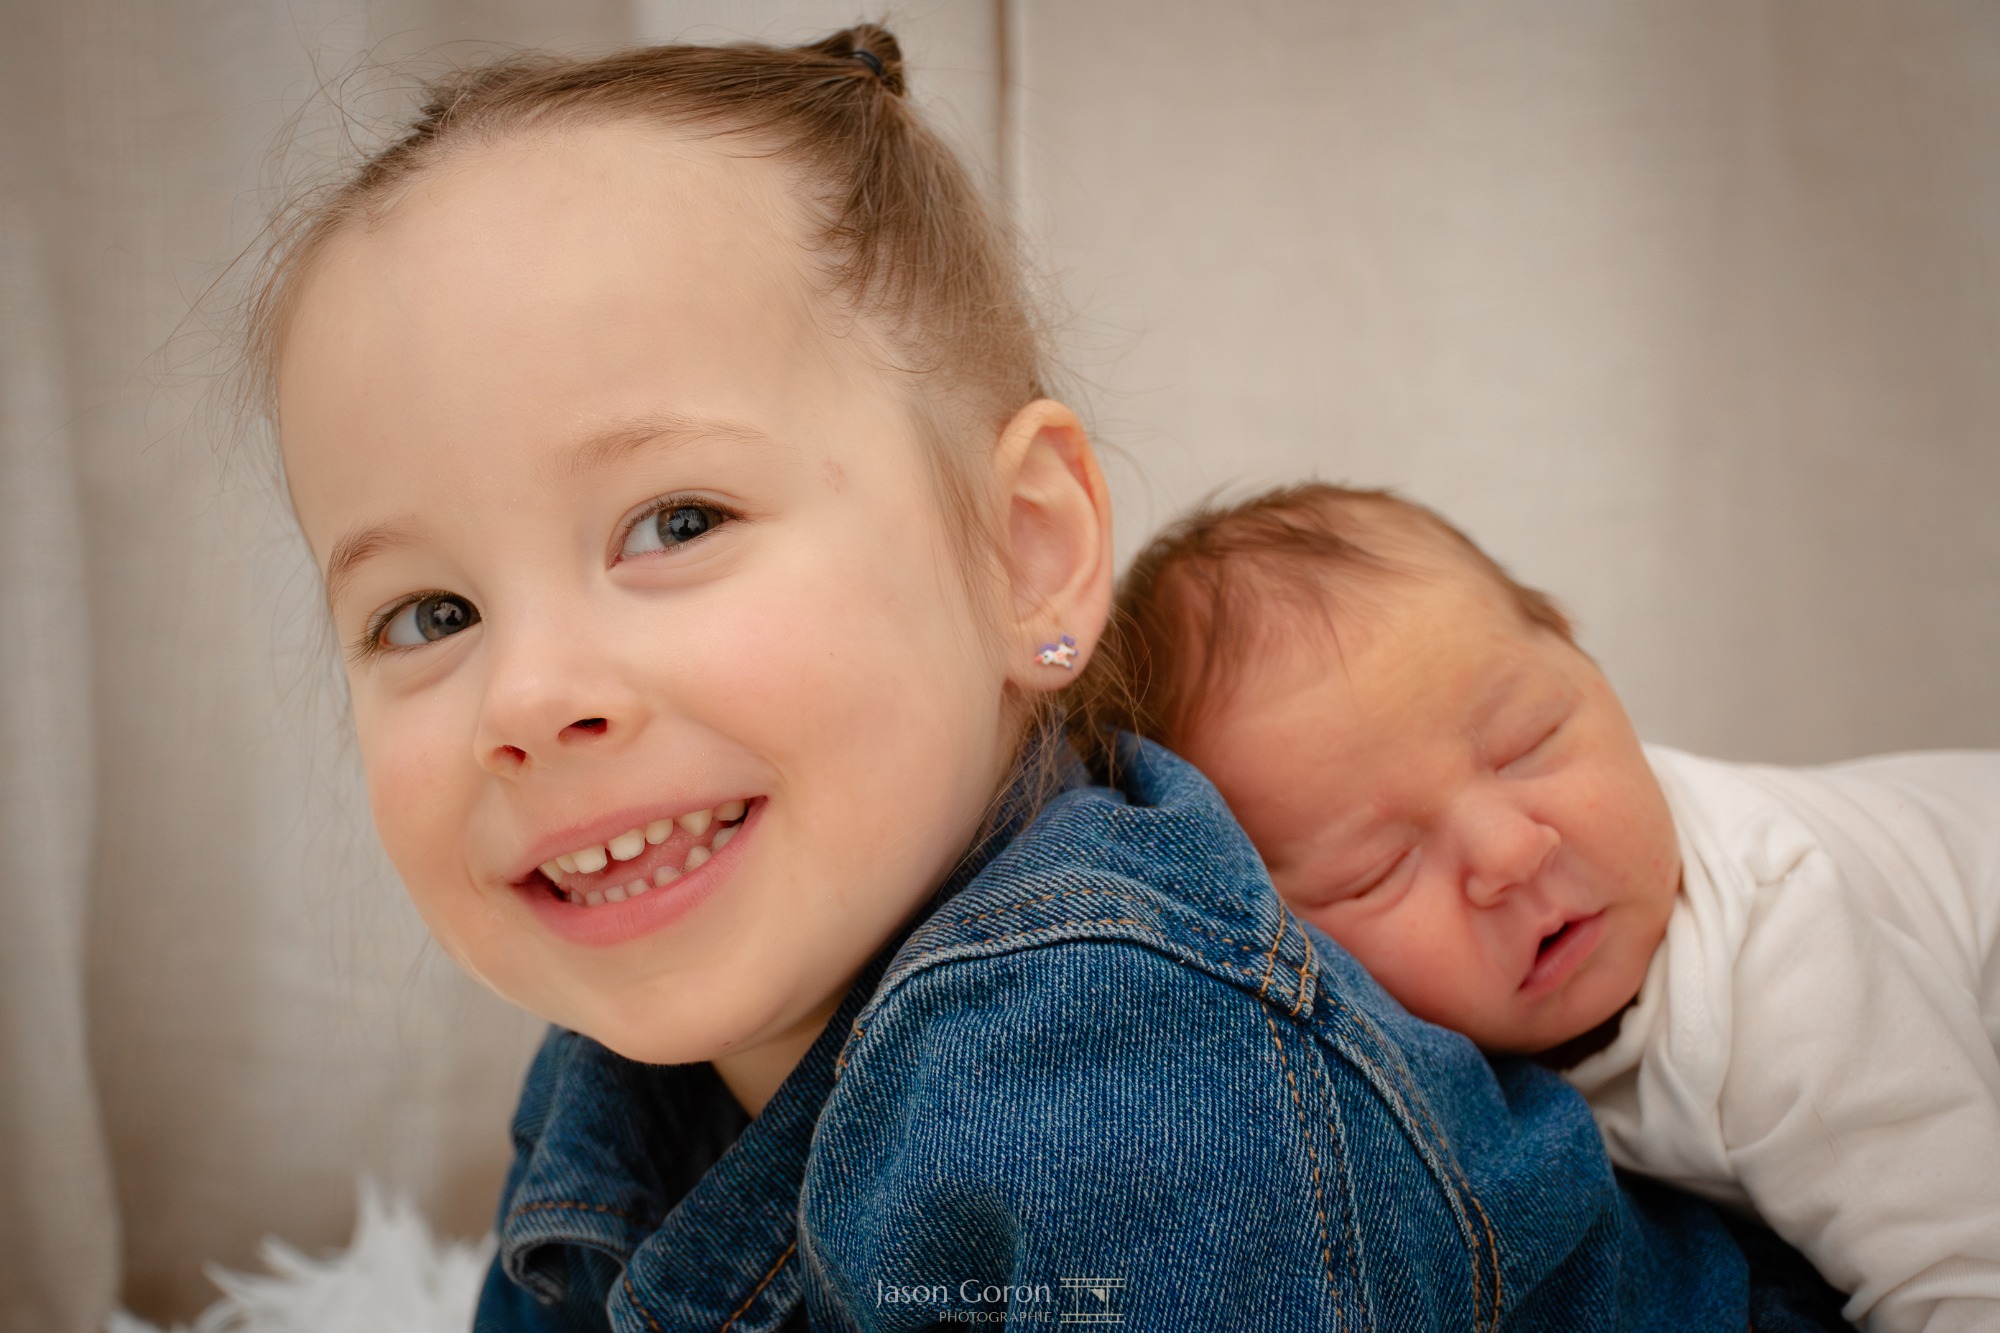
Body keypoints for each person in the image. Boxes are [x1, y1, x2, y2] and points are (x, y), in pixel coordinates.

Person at [250, 26, 1842, 1330]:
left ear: (1025, 555)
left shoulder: (1120, 1062)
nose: (530, 698)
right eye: (429, 613)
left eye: (676, 522)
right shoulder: (625, 1060)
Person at [1096, 481, 2000, 1332]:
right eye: (1381, 867)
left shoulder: (1790, 964)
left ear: (1582, 655)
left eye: (1527, 743)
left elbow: (1967, 1275)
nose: (1510, 853)